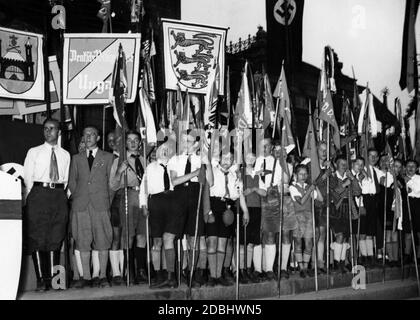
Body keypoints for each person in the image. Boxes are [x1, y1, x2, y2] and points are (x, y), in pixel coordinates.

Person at [24, 118, 71, 291]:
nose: (48, 131)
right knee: (37, 236)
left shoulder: (65, 155)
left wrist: (60, 195)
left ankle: (54, 280)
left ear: (59, 132)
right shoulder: (34, 152)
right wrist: (34, 196)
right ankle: (41, 280)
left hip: (58, 195)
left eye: (52, 129)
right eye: (45, 128)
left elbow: (65, 180)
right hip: (38, 194)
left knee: (56, 235)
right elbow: (28, 177)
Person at [68, 125, 114, 288]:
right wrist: (78, 195)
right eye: (85, 134)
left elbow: (112, 183)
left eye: (91, 134)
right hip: (81, 206)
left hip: (100, 205)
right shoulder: (76, 158)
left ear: (98, 138)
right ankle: (86, 277)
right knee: (82, 241)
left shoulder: (108, 157)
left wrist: (105, 199)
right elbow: (72, 181)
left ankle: (102, 276)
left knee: (103, 241)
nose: (87, 137)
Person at [167, 132, 213, 288]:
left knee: (194, 237)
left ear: (196, 144)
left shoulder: (201, 159)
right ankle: (174, 273)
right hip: (179, 195)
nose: (186, 144)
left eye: (190, 141)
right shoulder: (175, 159)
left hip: (195, 194)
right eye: (184, 141)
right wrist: (194, 173)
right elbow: (174, 181)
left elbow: (211, 182)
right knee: (173, 236)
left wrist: (207, 164)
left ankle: (193, 273)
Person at [110, 130, 147, 285]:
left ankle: (141, 271)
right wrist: (119, 171)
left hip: (144, 197)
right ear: (125, 143)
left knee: (142, 234)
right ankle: (128, 270)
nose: (132, 142)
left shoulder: (145, 160)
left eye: (136, 140)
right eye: (129, 140)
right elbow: (112, 185)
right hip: (129, 195)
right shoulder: (119, 161)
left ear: (140, 142)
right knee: (128, 235)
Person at [140, 142, 179, 288]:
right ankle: (158, 275)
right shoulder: (150, 167)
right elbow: (143, 189)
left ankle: (171, 276)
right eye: (162, 149)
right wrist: (144, 205)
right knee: (157, 242)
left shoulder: (176, 166)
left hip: (173, 203)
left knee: (169, 238)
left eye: (167, 149)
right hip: (156, 203)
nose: (164, 151)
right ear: (156, 152)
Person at [329, 156, 361, 273]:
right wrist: (344, 184)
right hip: (336, 208)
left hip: (348, 208)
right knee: (339, 235)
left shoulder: (349, 176)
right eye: (341, 163)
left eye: (345, 163)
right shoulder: (332, 176)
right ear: (336, 164)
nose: (344, 165)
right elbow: (333, 193)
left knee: (346, 237)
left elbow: (357, 192)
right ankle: (336, 262)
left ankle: (342, 262)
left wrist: (353, 180)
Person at [289, 164, 323, 278]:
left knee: (309, 243)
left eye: (305, 174)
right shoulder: (292, 187)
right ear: (295, 175)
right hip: (297, 216)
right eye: (300, 174)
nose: (303, 176)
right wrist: (310, 190)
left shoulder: (309, 186)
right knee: (298, 242)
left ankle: (306, 265)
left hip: (309, 216)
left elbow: (321, 199)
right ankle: (301, 267)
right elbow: (301, 201)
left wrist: (315, 186)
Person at [242, 153, 266, 283]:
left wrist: (254, 189)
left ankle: (248, 269)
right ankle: (239, 269)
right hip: (244, 207)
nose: (250, 160)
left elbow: (264, 192)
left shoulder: (257, 175)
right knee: (242, 242)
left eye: (253, 158)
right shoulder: (240, 172)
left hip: (256, 209)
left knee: (251, 241)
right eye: (248, 157)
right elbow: (240, 191)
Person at [361, 148, 383, 268]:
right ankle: (363, 256)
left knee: (371, 229)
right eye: (371, 156)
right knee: (363, 230)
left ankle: (370, 256)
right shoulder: (362, 169)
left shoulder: (376, 170)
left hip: (373, 200)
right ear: (366, 156)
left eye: (375, 156)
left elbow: (386, 180)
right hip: (364, 199)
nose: (373, 158)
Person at [404, 159, 420, 264]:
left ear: (417, 168)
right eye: (408, 166)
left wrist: (408, 181)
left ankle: (418, 256)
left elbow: (417, 190)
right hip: (407, 203)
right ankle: (407, 255)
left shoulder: (419, 178)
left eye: (413, 166)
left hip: (418, 204)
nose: (410, 168)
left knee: (419, 231)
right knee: (408, 232)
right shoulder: (401, 178)